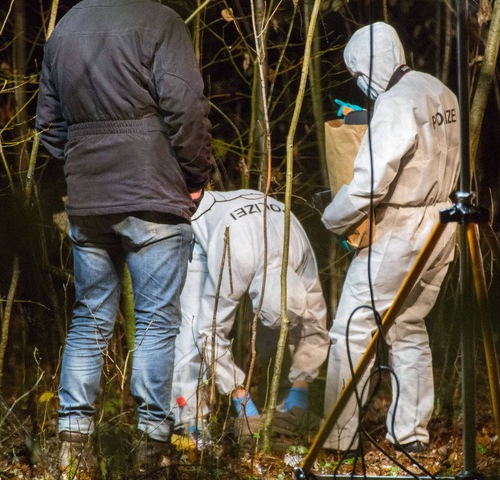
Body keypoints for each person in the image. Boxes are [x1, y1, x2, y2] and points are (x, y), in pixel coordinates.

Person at [35, 0, 213, 474]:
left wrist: (79, 164)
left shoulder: (65, 28)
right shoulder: (161, 21)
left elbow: (49, 126)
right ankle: (151, 448)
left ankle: (73, 444)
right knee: (156, 322)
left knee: (89, 319)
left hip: (88, 200)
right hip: (153, 192)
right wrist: (195, 174)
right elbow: (186, 108)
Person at [320, 22, 461, 454]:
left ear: (367, 66)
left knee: (351, 327)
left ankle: (338, 440)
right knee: (407, 325)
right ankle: (411, 434)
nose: (360, 85)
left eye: (358, 74)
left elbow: (369, 184)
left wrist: (331, 216)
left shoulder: (395, 103)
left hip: (401, 229)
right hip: (444, 223)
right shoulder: (440, 90)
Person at [171, 189, 329, 443]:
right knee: (192, 329)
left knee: (280, 336)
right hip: (208, 229)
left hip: (261, 218)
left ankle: (285, 409)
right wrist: (240, 398)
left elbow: (316, 326)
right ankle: (191, 424)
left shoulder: (300, 257)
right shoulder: (235, 264)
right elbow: (209, 332)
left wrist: (302, 383)